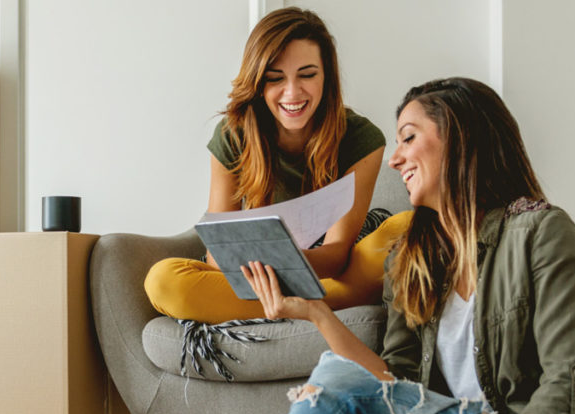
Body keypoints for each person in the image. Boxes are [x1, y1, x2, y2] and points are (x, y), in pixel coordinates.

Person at [135, 77, 575, 414]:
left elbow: (563, 396)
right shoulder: (415, 259)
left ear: (458, 136)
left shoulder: (541, 234)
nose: (394, 158)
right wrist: (319, 314)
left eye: (409, 137)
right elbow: (398, 392)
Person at [144, 7, 412, 325]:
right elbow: (218, 252)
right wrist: (263, 271)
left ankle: (296, 306)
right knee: (162, 280)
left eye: (307, 75)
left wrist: (280, 265)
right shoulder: (234, 134)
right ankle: (314, 309)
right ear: (258, 82)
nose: (292, 92)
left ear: (327, 76)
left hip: (329, 268)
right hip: (255, 275)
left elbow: (337, 255)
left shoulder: (361, 138)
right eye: (275, 79)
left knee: (406, 226)